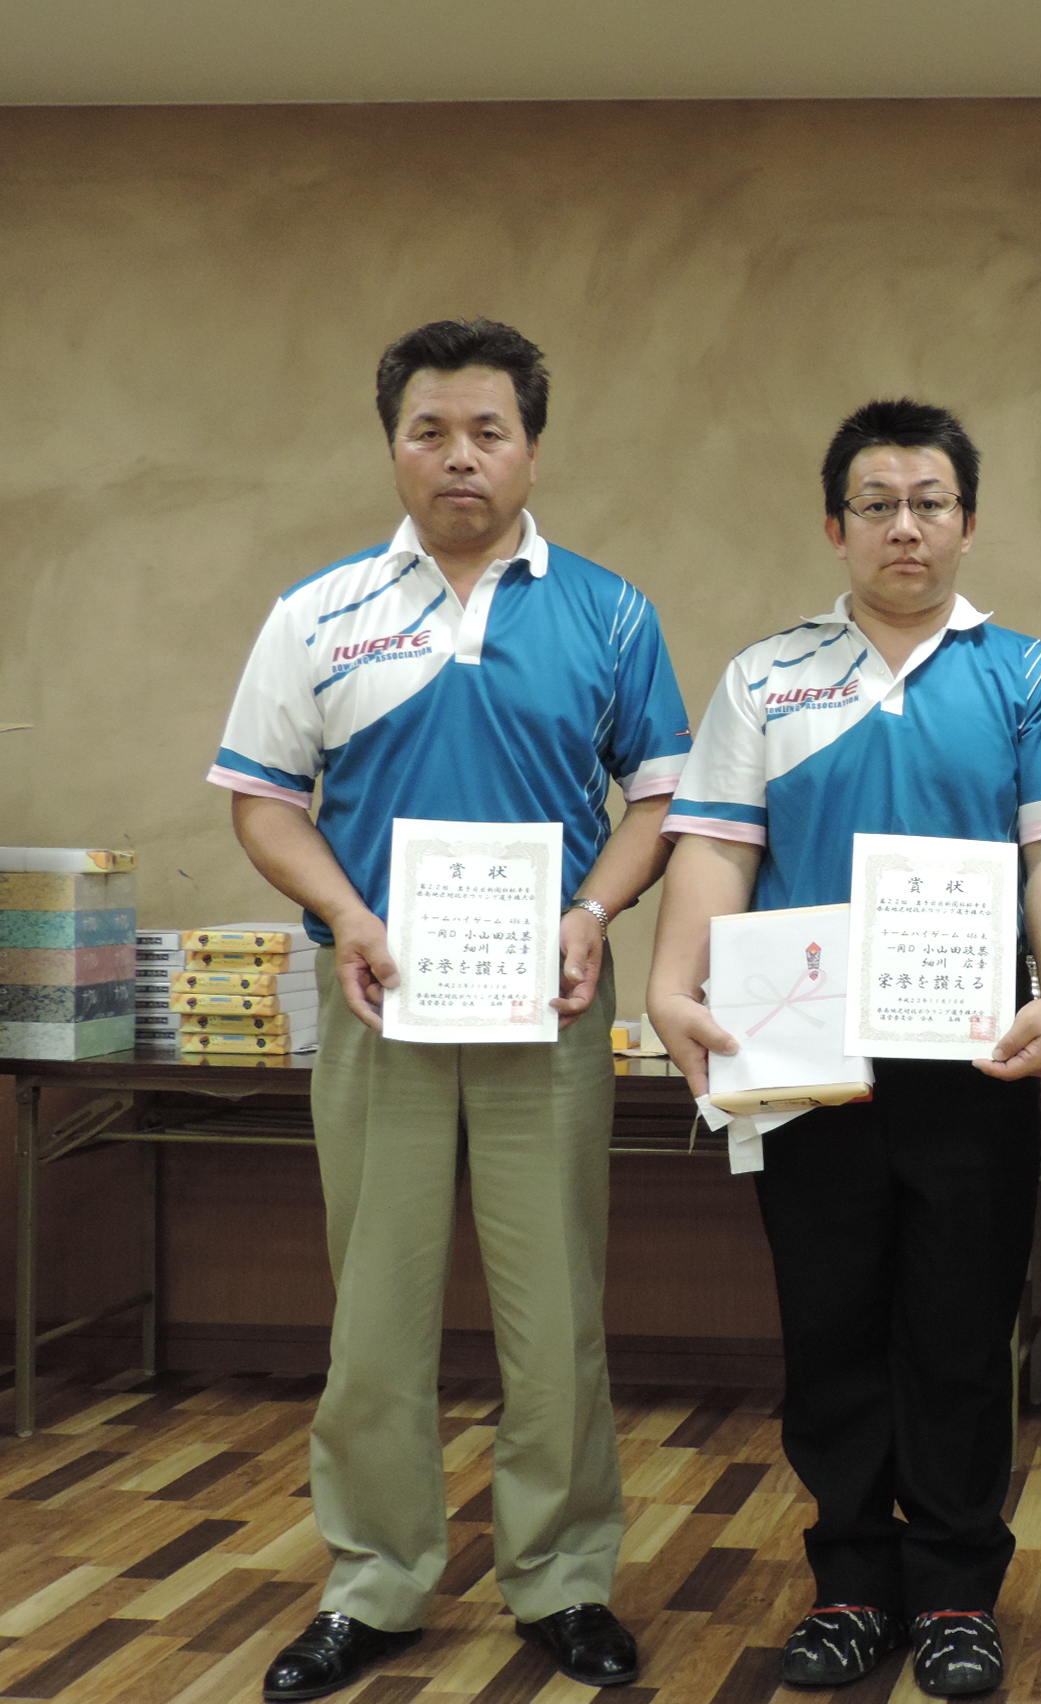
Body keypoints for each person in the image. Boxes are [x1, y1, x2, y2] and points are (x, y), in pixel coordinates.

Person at [212, 318, 689, 1701]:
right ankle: (373, 1582)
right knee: (373, 1313)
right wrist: (349, 917)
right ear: (394, 447)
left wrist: (592, 913)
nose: (460, 456)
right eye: (431, 431)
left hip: (550, 1009)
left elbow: (661, 796)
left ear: (531, 449)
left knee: (559, 1315)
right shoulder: (319, 612)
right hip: (382, 1007)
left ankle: (564, 1579)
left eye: (489, 431)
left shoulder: (610, 612)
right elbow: (263, 800)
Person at [645, 398, 1041, 1697]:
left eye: (929, 502)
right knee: (833, 1327)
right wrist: (672, 983)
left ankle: (958, 1592)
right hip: (804, 1056)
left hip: (975, 1054)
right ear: (834, 526)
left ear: (967, 523)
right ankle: (852, 1583)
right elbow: (716, 844)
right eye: (877, 504)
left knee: (962, 1331)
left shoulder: (1028, 676)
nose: (904, 526)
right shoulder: (764, 677)